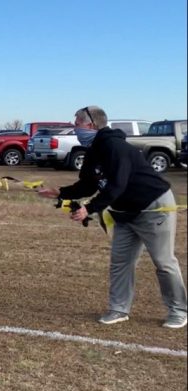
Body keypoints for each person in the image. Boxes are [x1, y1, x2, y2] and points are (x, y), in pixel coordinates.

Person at [37, 105, 186, 329]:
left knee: (164, 262)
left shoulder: (115, 146)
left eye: (77, 123)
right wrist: (61, 192)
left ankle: (178, 311)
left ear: (91, 125)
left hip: (153, 207)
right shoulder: (93, 150)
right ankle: (119, 309)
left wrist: (90, 209)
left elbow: (117, 184)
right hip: (124, 212)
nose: (74, 127)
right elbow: (87, 184)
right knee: (120, 262)